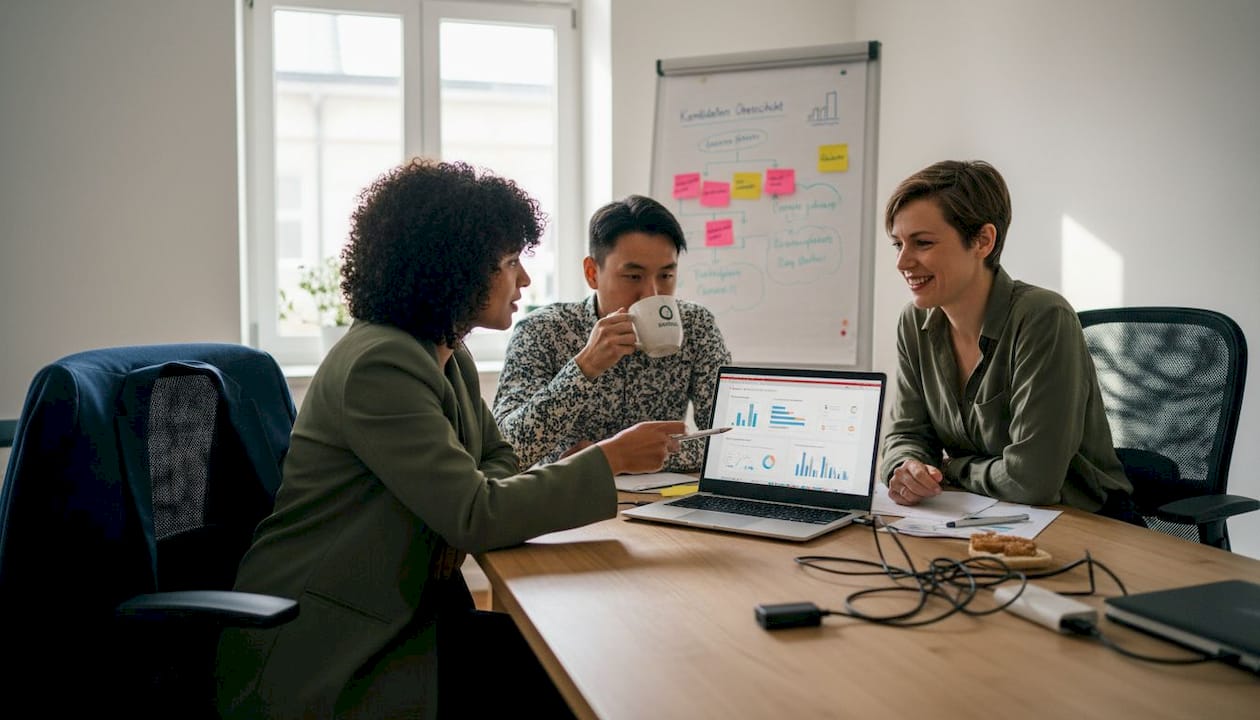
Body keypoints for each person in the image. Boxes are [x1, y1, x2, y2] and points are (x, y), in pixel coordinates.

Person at [215, 159, 684, 719]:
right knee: (576, 684)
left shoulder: (445, 352)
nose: (524, 280)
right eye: (510, 263)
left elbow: (496, 460)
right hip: (327, 642)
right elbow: (477, 512)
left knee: (586, 666)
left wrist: (474, 506)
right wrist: (607, 460)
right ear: (454, 269)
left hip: (407, 614)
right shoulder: (380, 364)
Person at [879, 160, 1140, 523]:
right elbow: (906, 434)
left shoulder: (1043, 317)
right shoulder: (914, 323)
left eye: (922, 243)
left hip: (1082, 522)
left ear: (983, 241)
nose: (902, 262)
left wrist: (950, 468)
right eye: (898, 244)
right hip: (980, 517)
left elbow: (1032, 479)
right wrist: (907, 468)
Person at [492, 195, 731, 472]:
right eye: (634, 276)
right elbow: (506, 452)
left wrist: (607, 457)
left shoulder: (696, 326)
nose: (651, 294)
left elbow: (731, 440)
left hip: (663, 494)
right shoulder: (543, 331)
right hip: (570, 495)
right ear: (592, 273)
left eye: (666, 276)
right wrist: (585, 367)